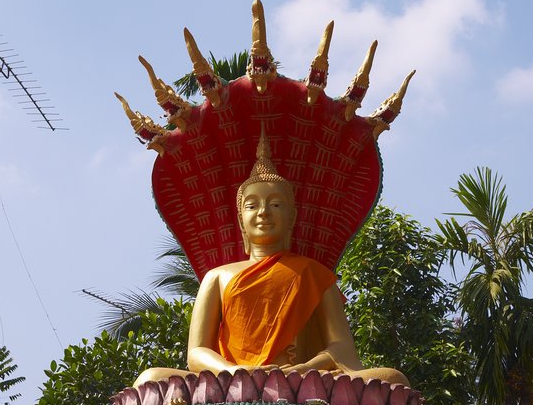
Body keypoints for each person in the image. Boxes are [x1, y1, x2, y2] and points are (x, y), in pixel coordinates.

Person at [134, 134, 408, 387]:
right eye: (252, 205)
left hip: (301, 380)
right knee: (150, 379)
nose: (264, 212)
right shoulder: (217, 277)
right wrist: (232, 371)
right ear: (241, 220)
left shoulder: (313, 273)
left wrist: (307, 368)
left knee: (393, 380)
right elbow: (196, 353)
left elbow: (342, 348)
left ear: (292, 217)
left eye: (275, 204)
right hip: (232, 382)